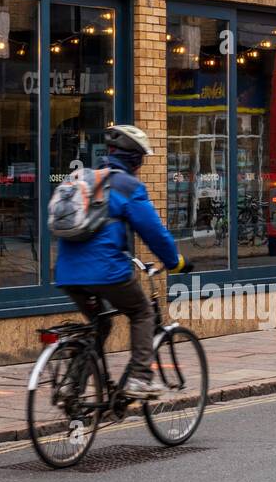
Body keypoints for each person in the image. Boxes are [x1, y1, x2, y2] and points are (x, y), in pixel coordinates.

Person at [54, 124, 186, 398]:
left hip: (67, 273)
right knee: (142, 312)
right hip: (106, 271)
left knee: (100, 324)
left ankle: (72, 387)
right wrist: (174, 261)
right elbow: (154, 233)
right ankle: (139, 377)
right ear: (135, 159)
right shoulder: (127, 185)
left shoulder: (86, 179)